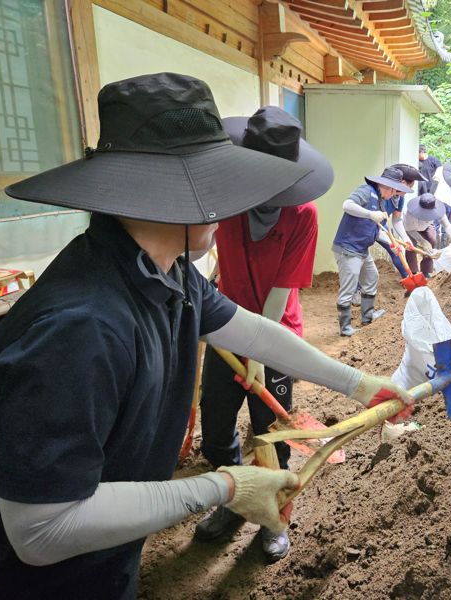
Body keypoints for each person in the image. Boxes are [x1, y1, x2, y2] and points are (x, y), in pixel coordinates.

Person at [0, 73, 412, 600]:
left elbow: (251, 330)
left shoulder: (165, 268)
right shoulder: (82, 327)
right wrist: (225, 486)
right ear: (174, 195)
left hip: (94, 564)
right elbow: (40, 530)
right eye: (218, 185)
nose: (232, 203)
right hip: (4, 581)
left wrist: (358, 383)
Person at [194, 106, 333, 561]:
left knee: (270, 430)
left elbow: (280, 293)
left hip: (274, 337)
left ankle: (274, 514)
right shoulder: (227, 204)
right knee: (215, 428)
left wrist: (258, 351)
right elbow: (207, 251)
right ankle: (234, 499)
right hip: (225, 330)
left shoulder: (303, 217)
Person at [332, 166, 412, 336]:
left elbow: (379, 229)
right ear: (387, 187)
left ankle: (367, 317)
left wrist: (393, 243)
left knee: (372, 277)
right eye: (394, 190)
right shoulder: (366, 191)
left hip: (362, 248)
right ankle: (345, 327)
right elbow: (347, 205)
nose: (394, 195)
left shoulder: (382, 201)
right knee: (349, 286)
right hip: (348, 247)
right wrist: (370, 214)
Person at [372, 163, 426, 278]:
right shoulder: (380, 195)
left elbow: (396, 220)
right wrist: (392, 241)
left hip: (381, 227)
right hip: (368, 227)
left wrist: (405, 238)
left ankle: (407, 277)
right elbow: (372, 223)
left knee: (397, 251)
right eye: (408, 188)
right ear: (401, 183)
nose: (407, 192)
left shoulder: (399, 198)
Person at [405, 193, 451, 277]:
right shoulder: (411, 212)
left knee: (431, 241)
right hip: (412, 229)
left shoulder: (438, 210)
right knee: (410, 247)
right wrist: (422, 241)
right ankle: (413, 272)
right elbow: (410, 230)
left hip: (427, 226)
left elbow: (447, 225)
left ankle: (425, 271)